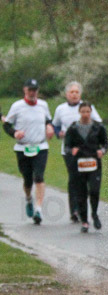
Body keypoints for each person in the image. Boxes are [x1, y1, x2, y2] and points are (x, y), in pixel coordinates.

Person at [4, 79, 55, 224]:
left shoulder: (43, 105)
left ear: (37, 91)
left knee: (39, 176)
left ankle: (38, 209)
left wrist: (49, 127)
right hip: (23, 147)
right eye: (30, 90)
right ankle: (28, 198)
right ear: (25, 90)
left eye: (35, 90)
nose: (33, 92)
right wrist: (15, 133)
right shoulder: (17, 106)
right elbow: (7, 125)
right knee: (27, 179)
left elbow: (48, 120)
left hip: (40, 146)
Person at [52, 82, 103, 224]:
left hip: (88, 150)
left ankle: (84, 209)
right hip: (70, 150)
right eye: (71, 92)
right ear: (67, 94)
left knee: (87, 179)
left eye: (77, 92)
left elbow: (99, 123)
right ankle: (74, 210)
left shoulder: (87, 108)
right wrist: (58, 132)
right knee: (74, 178)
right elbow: (55, 124)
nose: (74, 94)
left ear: (80, 94)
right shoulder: (60, 109)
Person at [64, 101, 108, 233]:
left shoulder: (98, 127)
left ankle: (94, 214)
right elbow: (67, 145)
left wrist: (103, 151)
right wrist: (71, 151)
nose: (85, 114)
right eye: (83, 112)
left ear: (91, 112)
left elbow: (105, 144)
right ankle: (84, 221)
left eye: (87, 112)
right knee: (81, 193)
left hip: (94, 163)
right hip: (78, 164)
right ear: (79, 112)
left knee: (94, 190)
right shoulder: (73, 128)